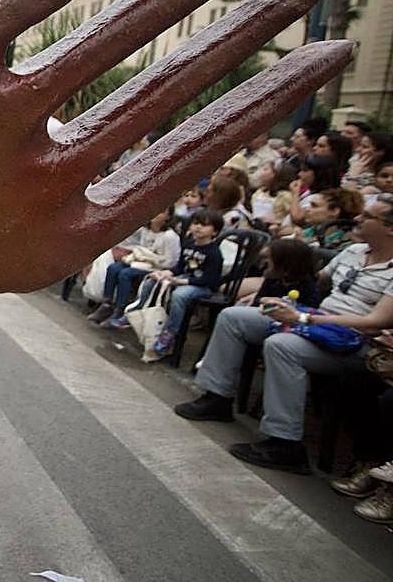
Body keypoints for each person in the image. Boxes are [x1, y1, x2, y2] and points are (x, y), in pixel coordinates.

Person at [175, 194, 393, 474]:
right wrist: (271, 294)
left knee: (282, 345)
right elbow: (313, 278)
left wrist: (304, 317)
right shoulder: (354, 251)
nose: (358, 219)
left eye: (369, 216)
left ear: (389, 227)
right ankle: (217, 399)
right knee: (234, 317)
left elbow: (375, 322)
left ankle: (285, 443)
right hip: (313, 321)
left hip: (350, 341)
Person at [132, 208, 225, 358]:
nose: (198, 227)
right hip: (184, 278)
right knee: (151, 281)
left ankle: (171, 332)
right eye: (196, 223)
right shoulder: (188, 244)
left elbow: (209, 280)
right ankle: (141, 313)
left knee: (179, 295)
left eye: (204, 225)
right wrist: (166, 273)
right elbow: (179, 267)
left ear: (215, 231)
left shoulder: (214, 253)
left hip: (202, 286)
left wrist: (180, 281)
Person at [91, 206, 181, 327]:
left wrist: (149, 259)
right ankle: (107, 304)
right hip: (139, 262)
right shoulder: (146, 230)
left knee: (125, 274)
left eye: (161, 212)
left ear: (168, 217)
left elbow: (171, 262)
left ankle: (120, 309)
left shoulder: (170, 236)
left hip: (156, 268)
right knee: (114, 268)